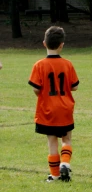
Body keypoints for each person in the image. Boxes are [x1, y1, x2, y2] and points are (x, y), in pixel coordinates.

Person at [28, 26, 79, 182]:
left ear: (44, 43)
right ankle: (65, 163)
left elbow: (36, 89)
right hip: (65, 109)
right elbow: (75, 86)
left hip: (47, 110)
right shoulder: (67, 64)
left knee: (52, 142)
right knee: (66, 139)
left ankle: (55, 175)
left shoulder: (39, 65)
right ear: (62, 45)